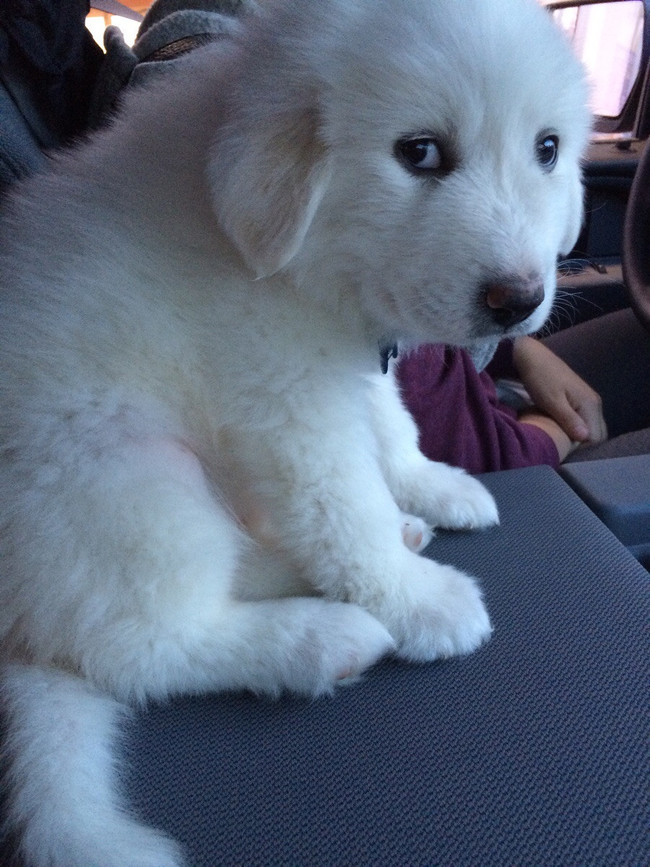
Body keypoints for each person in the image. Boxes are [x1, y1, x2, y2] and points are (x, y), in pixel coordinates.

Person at [397, 307, 650, 474]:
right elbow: (462, 459)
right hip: (504, 475)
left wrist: (517, 349)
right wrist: (558, 429)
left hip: (477, 396)